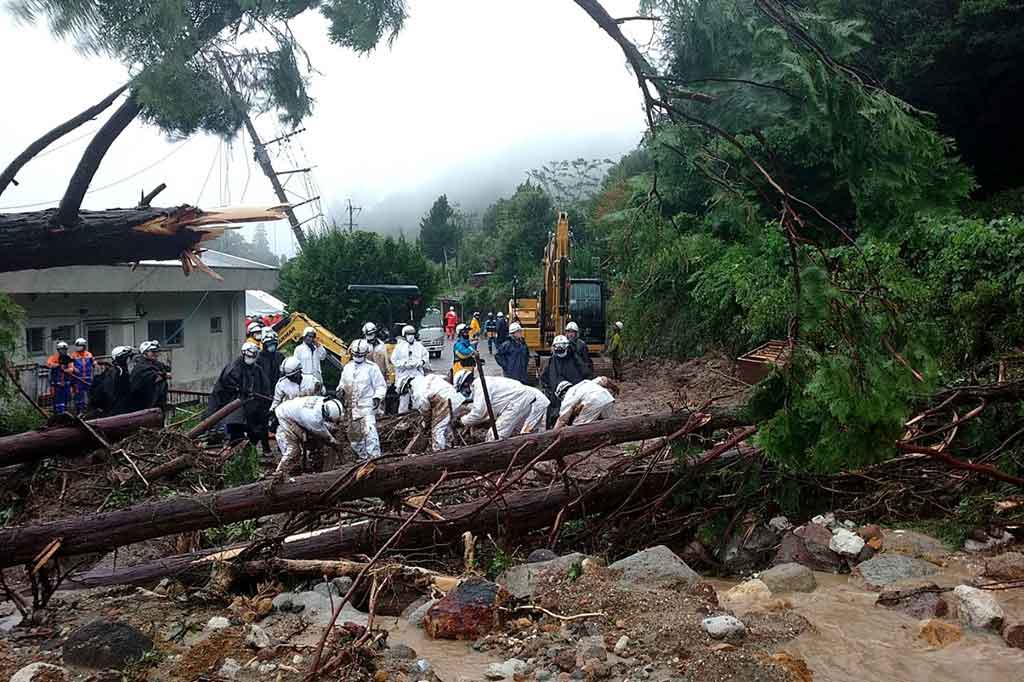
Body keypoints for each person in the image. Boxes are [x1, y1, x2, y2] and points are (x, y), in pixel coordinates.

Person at [207, 342, 272, 449]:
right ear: (243, 354)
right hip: (231, 403)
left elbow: (264, 386)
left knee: (256, 427)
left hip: (249, 404)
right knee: (233, 426)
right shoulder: (234, 368)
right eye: (249, 356)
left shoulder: (256, 369)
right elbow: (229, 387)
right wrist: (243, 391)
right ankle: (230, 445)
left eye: (253, 356)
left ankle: (249, 448)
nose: (251, 358)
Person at [454, 370, 549, 440]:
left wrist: (462, 421)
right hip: (525, 401)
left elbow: (479, 413)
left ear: (466, 384)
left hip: (524, 402)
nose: (464, 393)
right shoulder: (483, 383)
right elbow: (486, 413)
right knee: (519, 435)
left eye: (462, 390)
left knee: (495, 437)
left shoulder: (480, 386)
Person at [272, 396, 344, 480]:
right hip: (285, 417)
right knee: (294, 449)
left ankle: (310, 462)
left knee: (312, 438)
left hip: (294, 411)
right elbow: (326, 436)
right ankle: (280, 473)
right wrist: (335, 443)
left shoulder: (324, 402)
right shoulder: (313, 418)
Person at [338, 339, 387, 459]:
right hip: (351, 408)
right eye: (356, 355)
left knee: (370, 433)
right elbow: (342, 384)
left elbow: (380, 386)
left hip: (367, 406)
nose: (358, 357)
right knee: (355, 439)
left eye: (360, 355)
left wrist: (377, 397)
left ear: (365, 354)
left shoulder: (372, 368)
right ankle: (363, 458)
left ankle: (374, 459)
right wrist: (340, 390)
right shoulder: (347, 368)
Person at [397, 373, 467, 451]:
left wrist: (426, 424)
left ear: (408, 386)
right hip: (456, 399)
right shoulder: (429, 377)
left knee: (437, 430)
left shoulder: (418, 393)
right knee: (446, 427)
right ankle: (449, 446)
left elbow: (426, 410)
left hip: (445, 402)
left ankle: (439, 453)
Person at [540, 334, 591, 427]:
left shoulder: (575, 359)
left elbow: (585, 372)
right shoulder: (551, 361)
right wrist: (547, 390)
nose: (559, 350)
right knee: (554, 419)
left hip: (573, 396)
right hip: (555, 398)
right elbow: (544, 378)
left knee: (572, 419)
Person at [391, 325, 430, 413]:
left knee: (418, 397)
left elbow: (426, 356)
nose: (410, 336)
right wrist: (403, 364)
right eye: (408, 334)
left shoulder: (419, 346)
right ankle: (402, 418)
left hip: (416, 373)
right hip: (404, 375)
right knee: (404, 399)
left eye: (412, 334)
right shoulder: (399, 347)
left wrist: (421, 362)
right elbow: (394, 360)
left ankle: (419, 416)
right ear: (404, 335)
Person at [128, 340, 171, 412]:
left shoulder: (155, 363)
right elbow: (154, 378)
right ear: (144, 353)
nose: (156, 354)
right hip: (145, 405)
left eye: (157, 352)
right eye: (153, 352)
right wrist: (164, 375)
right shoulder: (141, 366)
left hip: (158, 403)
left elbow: (166, 369)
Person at [89, 345, 134, 416]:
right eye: (127, 357)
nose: (129, 360)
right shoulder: (118, 372)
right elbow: (110, 392)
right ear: (121, 358)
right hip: (115, 411)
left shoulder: (120, 370)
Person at [46, 341, 76, 414]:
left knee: (66, 401)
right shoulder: (53, 357)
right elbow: (49, 364)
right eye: (61, 349)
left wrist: (65, 370)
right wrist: (58, 364)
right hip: (57, 384)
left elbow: (71, 369)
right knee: (57, 402)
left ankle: (65, 414)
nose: (63, 351)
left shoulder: (68, 357)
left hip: (66, 384)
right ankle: (58, 415)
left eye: (65, 349)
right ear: (58, 350)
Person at [69, 337, 95, 414]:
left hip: (88, 378)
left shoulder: (89, 354)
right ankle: (79, 411)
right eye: (77, 345)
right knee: (78, 395)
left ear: (84, 346)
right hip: (78, 379)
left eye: (80, 345)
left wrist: (95, 364)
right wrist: (73, 368)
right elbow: (70, 365)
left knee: (90, 394)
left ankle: (89, 409)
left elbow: (93, 362)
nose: (78, 347)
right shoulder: (73, 355)